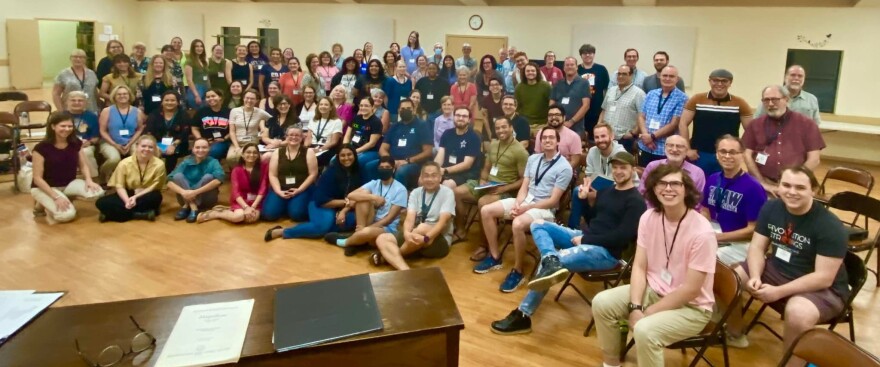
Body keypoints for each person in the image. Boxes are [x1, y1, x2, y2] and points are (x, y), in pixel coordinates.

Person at [491, 151, 646, 334]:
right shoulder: (606, 192)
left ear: (633, 170)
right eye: (615, 167)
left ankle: (523, 315)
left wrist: (586, 239)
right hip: (586, 238)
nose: (618, 171)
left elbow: (622, 237)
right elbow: (592, 220)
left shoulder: (636, 202)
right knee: (538, 225)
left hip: (606, 253)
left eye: (623, 167)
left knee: (557, 259)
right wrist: (584, 201)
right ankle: (550, 259)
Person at [593, 164, 717, 367]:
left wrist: (647, 313)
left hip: (691, 308)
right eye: (662, 183)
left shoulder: (702, 232)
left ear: (686, 189)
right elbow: (640, 267)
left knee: (645, 330)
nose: (668, 189)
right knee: (601, 303)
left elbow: (691, 290)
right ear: (653, 188)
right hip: (653, 290)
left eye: (675, 183)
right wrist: (635, 307)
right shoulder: (648, 218)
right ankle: (611, 364)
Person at [730, 167, 849, 366]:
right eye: (786, 185)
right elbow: (757, 248)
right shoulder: (771, 208)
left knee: (797, 313)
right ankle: (734, 334)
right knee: (732, 278)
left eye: (800, 187)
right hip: (778, 269)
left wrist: (779, 292)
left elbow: (823, 277)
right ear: (779, 186)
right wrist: (755, 276)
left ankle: (791, 364)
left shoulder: (830, 226)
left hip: (823, 289)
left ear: (814, 190)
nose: (791, 192)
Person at [474, 127, 573, 293]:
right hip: (525, 202)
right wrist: (518, 204)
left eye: (551, 138)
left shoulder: (564, 167)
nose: (547, 140)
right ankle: (495, 256)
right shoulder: (533, 159)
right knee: (486, 210)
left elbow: (553, 200)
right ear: (540, 142)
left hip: (544, 209)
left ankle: (518, 271)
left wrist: (526, 208)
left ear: (557, 142)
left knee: (518, 224)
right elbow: (525, 186)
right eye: (544, 138)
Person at [452, 117, 528, 258]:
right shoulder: (493, 145)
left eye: (504, 127)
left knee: (482, 203)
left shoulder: (520, 151)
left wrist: (504, 189)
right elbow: (486, 168)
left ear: (511, 128)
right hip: (487, 183)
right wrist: (482, 180)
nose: (500, 130)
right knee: (456, 192)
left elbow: (524, 180)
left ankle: (484, 245)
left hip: (505, 188)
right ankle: (461, 230)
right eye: (497, 128)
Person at [266, 145, 364, 240]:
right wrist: (346, 203)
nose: (346, 158)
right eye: (343, 155)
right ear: (338, 157)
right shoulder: (330, 173)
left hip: (343, 207)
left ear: (355, 155)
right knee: (322, 226)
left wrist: (343, 210)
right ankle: (283, 232)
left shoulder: (359, 171)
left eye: (349, 154)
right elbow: (322, 200)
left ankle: (326, 229)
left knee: (355, 219)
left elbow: (360, 196)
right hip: (320, 204)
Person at [742, 85, 824, 195]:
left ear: (786, 99)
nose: (770, 104)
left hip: (796, 187)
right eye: (766, 100)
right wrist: (762, 183)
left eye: (775, 99)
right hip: (764, 184)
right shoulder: (755, 125)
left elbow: (814, 159)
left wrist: (791, 183)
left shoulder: (807, 124)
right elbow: (747, 155)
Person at [373, 162, 454, 269]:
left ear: (440, 178)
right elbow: (410, 218)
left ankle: (390, 256)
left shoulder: (447, 192)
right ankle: (405, 270)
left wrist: (426, 238)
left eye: (434, 176)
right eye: (426, 176)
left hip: (439, 239)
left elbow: (442, 223)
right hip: (416, 236)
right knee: (382, 238)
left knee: (422, 227)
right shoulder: (415, 193)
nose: (430, 179)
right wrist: (406, 233)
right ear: (421, 177)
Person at [323, 156, 408, 256]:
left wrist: (363, 230)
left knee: (366, 232)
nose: (384, 170)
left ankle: (344, 242)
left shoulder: (400, 189)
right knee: (363, 198)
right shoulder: (374, 183)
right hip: (368, 221)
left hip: (386, 227)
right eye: (381, 167)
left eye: (387, 168)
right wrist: (373, 197)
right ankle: (360, 239)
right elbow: (351, 195)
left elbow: (388, 219)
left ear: (393, 169)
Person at [704, 135, 768, 266]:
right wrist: (705, 229)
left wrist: (718, 238)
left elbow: (754, 229)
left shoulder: (754, 187)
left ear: (742, 155)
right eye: (723, 151)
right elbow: (704, 209)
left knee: (705, 258)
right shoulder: (712, 178)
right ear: (717, 154)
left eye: (733, 152)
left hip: (740, 242)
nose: (727, 156)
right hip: (715, 232)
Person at [30, 112, 104, 224]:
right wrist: (55, 197)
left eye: (70, 126)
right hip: (46, 187)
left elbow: (83, 165)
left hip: (69, 184)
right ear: (53, 126)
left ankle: (63, 197)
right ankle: (40, 205)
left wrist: (89, 180)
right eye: (63, 126)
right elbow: (37, 179)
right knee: (66, 216)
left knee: (97, 192)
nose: (67, 129)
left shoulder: (75, 143)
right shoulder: (41, 148)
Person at [679, 69, 753, 176]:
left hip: (727, 156)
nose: (719, 84)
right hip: (700, 154)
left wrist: (740, 151)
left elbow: (750, 131)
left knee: (723, 185)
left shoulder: (740, 103)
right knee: (697, 187)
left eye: (724, 81)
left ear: (730, 83)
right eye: (715, 80)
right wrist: (688, 149)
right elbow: (683, 123)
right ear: (709, 81)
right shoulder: (697, 99)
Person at [569, 123, 633, 229]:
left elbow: (623, 183)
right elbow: (589, 175)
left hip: (618, 193)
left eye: (603, 136)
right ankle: (572, 228)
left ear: (611, 136)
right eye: (597, 137)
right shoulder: (593, 151)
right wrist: (586, 187)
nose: (600, 140)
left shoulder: (621, 155)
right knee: (578, 191)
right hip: (595, 189)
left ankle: (598, 228)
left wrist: (599, 194)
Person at [96, 135, 166, 222]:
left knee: (156, 197)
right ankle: (140, 214)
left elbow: (155, 186)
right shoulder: (124, 163)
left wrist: (136, 196)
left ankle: (113, 215)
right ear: (137, 146)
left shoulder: (160, 164)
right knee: (100, 202)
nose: (146, 149)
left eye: (150, 147)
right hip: (128, 193)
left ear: (155, 149)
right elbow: (119, 186)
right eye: (143, 146)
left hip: (146, 193)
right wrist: (127, 201)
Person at [366, 99, 432, 188]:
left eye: (408, 108)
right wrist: (390, 161)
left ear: (414, 109)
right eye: (403, 108)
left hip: (413, 163)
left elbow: (428, 152)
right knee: (369, 166)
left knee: (401, 171)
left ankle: (397, 198)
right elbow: (383, 148)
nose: (405, 110)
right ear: (398, 111)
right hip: (393, 161)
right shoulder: (394, 126)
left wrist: (407, 161)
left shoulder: (422, 125)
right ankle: (373, 193)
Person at [199, 143, 268, 224]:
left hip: (256, 201)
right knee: (238, 217)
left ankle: (228, 209)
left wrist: (252, 207)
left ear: (258, 155)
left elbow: (263, 189)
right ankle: (217, 214)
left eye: (255, 152)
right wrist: (245, 207)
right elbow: (236, 192)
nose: (251, 155)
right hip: (241, 200)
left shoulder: (264, 168)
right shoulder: (236, 170)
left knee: (252, 218)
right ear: (242, 155)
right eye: (248, 152)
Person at [261, 125, 318, 222]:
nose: (294, 137)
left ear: (302, 138)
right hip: (281, 188)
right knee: (269, 214)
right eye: (291, 135)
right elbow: (272, 175)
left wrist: (299, 190)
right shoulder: (277, 152)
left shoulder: (309, 152)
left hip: (301, 188)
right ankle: (286, 204)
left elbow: (313, 174)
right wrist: (279, 191)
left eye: (297, 135)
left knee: (297, 215)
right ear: (285, 137)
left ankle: (291, 205)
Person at [637, 65, 688, 166]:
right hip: (644, 146)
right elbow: (641, 116)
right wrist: (646, 137)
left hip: (663, 150)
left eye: (671, 76)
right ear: (660, 77)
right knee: (644, 176)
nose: (667, 78)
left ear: (677, 79)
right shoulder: (651, 94)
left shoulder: (682, 98)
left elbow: (674, 124)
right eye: (665, 75)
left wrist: (652, 137)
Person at [167, 138, 225, 223]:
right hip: (184, 197)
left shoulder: (213, 162)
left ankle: (187, 206)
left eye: (204, 147)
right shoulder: (186, 162)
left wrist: (194, 192)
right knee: (178, 176)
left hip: (206, 199)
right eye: (197, 147)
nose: (200, 150)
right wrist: (183, 192)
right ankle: (193, 207)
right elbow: (169, 181)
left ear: (209, 149)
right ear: (193, 149)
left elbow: (219, 180)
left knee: (208, 177)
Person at [639, 135, 706, 205]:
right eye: (670, 145)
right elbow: (643, 193)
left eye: (679, 146)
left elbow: (697, 201)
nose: (674, 149)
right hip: (655, 210)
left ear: (686, 151)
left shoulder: (697, 172)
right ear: (665, 148)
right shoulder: (652, 167)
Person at [99, 85, 146, 182]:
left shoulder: (137, 111)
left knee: (137, 156)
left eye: (125, 94)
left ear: (129, 96)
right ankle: (103, 175)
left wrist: (130, 144)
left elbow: (139, 129)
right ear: (114, 96)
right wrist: (115, 145)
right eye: (119, 94)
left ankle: (131, 179)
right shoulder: (107, 111)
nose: (122, 96)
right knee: (114, 159)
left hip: (131, 141)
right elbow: (102, 131)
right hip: (110, 142)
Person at [598, 65, 646, 153]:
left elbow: (642, 116)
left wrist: (633, 133)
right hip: (606, 136)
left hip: (624, 139)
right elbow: (604, 110)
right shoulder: (611, 90)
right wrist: (598, 125)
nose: (620, 76)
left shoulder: (639, 93)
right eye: (619, 74)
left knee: (620, 165)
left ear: (631, 76)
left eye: (624, 74)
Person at [754, 65, 821, 124]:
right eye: (793, 75)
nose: (796, 78)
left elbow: (815, 124)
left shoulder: (812, 99)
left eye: (800, 76)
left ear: (804, 79)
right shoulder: (771, 95)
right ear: (785, 77)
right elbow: (757, 121)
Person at [143, 91, 190, 173]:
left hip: (178, 143)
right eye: (166, 100)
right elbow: (149, 132)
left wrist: (174, 145)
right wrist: (155, 146)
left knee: (171, 153)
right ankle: (151, 175)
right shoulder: (154, 114)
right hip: (157, 143)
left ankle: (167, 175)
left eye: (172, 100)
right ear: (162, 102)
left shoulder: (183, 115)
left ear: (178, 102)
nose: (169, 102)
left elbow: (185, 133)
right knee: (150, 151)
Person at [435, 107, 481, 188]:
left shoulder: (474, 137)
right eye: (458, 115)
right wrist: (435, 169)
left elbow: (467, 165)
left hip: (464, 173)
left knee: (447, 184)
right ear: (454, 117)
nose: (460, 118)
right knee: (423, 180)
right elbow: (440, 156)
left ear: (469, 120)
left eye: (464, 116)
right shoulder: (447, 133)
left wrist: (445, 170)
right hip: (445, 171)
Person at [550, 57, 591, 137]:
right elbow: (551, 104)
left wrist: (571, 122)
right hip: (557, 126)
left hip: (576, 128)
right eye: (567, 65)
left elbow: (586, 106)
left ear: (576, 67)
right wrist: (553, 119)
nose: (569, 67)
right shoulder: (558, 84)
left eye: (572, 65)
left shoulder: (584, 83)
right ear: (564, 68)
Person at [228, 89, 272, 164]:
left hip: (252, 142)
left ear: (256, 100)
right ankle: (237, 174)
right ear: (243, 98)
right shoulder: (234, 111)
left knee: (249, 157)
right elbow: (232, 131)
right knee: (230, 158)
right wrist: (237, 147)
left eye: (252, 99)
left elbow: (273, 121)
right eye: (247, 98)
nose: (249, 100)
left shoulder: (260, 112)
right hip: (237, 142)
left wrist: (264, 129)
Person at [577, 44, 611, 140]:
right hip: (580, 109)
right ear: (581, 55)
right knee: (581, 138)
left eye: (590, 53)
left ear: (594, 54)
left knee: (596, 137)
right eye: (584, 53)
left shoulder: (601, 69)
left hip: (597, 110)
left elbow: (607, 90)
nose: (587, 55)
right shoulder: (577, 69)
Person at [65, 92, 100, 182]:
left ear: (85, 103)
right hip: (64, 144)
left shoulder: (92, 117)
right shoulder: (60, 116)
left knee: (86, 153)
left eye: (80, 100)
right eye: (73, 100)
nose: (76, 103)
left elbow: (96, 137)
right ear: (67, 102)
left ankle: (93, 180)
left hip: (86, 145)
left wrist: (89, 142)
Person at [343, 97, 383, 172]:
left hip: (370, 151)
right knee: (334, 159)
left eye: (366, 106)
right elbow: (347, 136)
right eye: (361, 106)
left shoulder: (376, 122)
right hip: (352, 148)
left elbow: (372, 143)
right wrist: (345, 148)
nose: (363, 108)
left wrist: (354, 151)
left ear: (372, 107)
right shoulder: (356, 118)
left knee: (356, 161)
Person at [53, 49, 100, 113]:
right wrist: (61, 111)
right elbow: (56, 94)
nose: (78, 59)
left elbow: (95, 92)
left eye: (81, 57)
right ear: (70, 58)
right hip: (70, 110)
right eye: (75, 57)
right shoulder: (63, 74)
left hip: (90, 109)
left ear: (85, 59)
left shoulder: (92, 73)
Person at [191, 89, 231, 161]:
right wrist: (201, 140)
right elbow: (194, 128)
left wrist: (224, 138)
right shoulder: (201, 111)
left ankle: (210, 170)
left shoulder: (229, 112)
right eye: (208, 97)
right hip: (205, 141)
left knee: (213, 151)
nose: (210, 98)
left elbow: (233, 130)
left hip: (222, 141)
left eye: (213, 96)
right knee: (196, 152)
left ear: (220, 97)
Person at [305, 97, 344, 166]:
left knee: (312, 160)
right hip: (312, 147)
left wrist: (319, 150)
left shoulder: (337, 121)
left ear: (331, 108)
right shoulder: (313, 120)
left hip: (327, 148)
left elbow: (333, 142)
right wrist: (304, 149)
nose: (323, 106)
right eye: (321, 104)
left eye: (326, 105)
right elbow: (308, 139)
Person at [260, 94, 299, 160]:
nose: (283, 106)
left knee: (266, 157)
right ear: (276, 107)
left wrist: (278, 144)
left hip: (288, 148)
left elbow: (293, 139)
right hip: (270, 147)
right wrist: (272, 142)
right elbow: (264, 137)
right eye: (280, 104)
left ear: (289, 105)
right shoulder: (270, 120)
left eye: (285, 104)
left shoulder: (296, 121)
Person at [515, 63, 551, 127]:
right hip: (525, 123)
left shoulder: (546, 86)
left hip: (543, 123)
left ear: (537, 72)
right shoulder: (519, 88)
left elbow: (552, 105)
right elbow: (517, 107)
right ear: (524, 73)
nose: (530, 72)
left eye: (533, 71)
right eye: (528, 71)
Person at [184, 39, 210, 108]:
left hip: (206, 87)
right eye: (197, 46)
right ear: (193, 48)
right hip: (196, 89)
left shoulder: (203, 61)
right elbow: (189, 80)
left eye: (201, 46)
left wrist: (210, 89)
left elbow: (207, 76)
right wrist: (196, 95)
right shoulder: (189, 61)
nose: (199, 48)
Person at [480, 77, 505, 143]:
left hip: (503, 127)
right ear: (489, 88)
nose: (494, 87)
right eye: (492, 85)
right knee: (488, 147)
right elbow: (485, 119)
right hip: (489, 126)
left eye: (496, 84)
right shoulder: (485, 100)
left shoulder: (506, 99)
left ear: (501, 87)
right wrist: (490, 135)